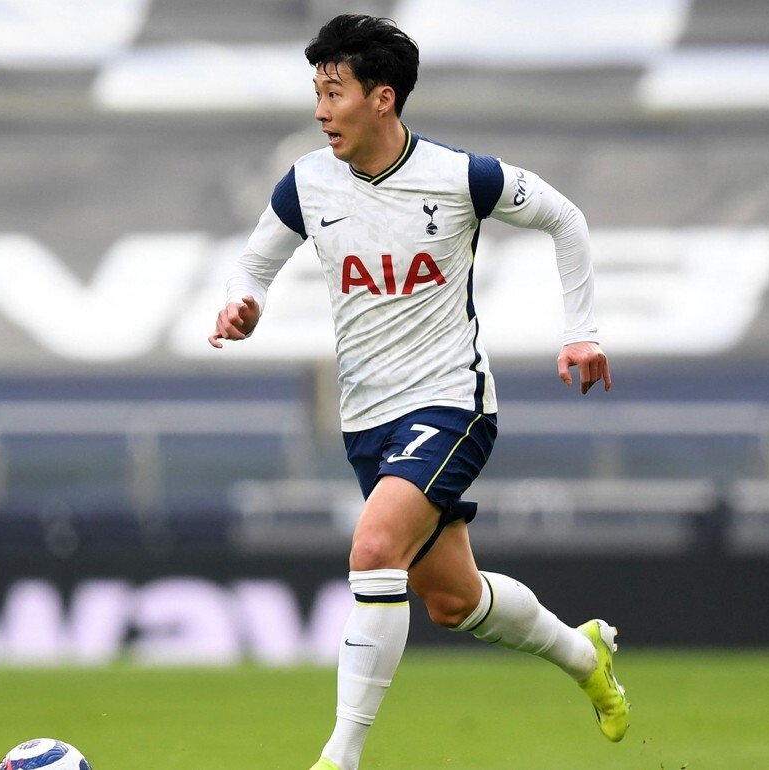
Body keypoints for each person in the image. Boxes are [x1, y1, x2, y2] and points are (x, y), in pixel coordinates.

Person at [208, 15, 628, 770]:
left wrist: (583, 331)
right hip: (366, 421)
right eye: (316, 92)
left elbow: (565, 218)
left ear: (382, 98)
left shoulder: (462, 177)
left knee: (373, 548)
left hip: (450, 404)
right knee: (452, 600)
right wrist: (244, 305)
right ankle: (583, 654)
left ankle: (340, 758)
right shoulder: (308, 182)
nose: (320, 110)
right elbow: (252, 266)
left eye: (334, 92)